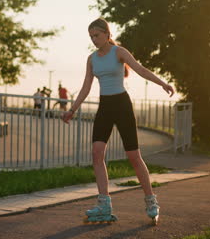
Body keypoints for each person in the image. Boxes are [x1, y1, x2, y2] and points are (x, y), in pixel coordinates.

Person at [62, 18, 174, 225]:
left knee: (133, 156)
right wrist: (71, 110)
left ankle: (151, 201)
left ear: (107, 33)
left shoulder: (118, 52)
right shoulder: (92, 59)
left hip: (122, 105)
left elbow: (140, 70)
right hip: (105, 107)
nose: (94, 40)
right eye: (91, 37)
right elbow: (86, 87)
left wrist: (163, 83)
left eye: (97, 35)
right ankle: (104, 204)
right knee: (97, 153)